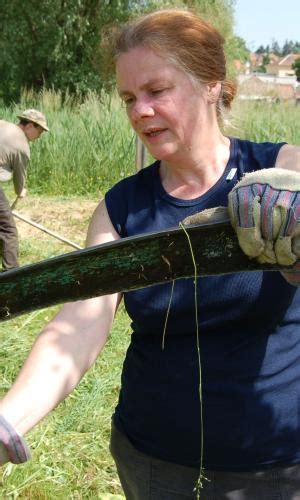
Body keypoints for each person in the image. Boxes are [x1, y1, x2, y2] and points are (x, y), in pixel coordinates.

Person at [0, 8, 300, 499]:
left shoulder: (282, 166)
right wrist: (7, 426)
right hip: (153, 460)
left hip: (276, 463)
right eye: (128, 98)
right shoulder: (122, 207)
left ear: (210, 83)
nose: (140, 111)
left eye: (157, 91)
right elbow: (77, 328)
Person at [0, 109, 49, 271]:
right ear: (29, 125)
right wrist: (20, 191)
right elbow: (19, 179)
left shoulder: (2, 124)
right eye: (40, 131)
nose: (39, 136)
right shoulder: (22, 146)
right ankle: (11, 274)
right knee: (8, 230)